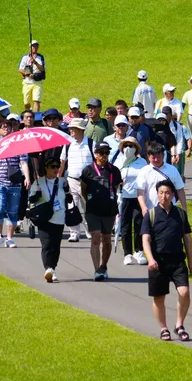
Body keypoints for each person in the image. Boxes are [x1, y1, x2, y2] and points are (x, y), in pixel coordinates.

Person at [143, 180, 192, 341]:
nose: (164, 196)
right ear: (157, 194)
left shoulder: (180, 214)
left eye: (167, 193)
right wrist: (150, 259)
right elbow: (145, 239)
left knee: (184, 292)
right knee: (159, 297)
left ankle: (179, 325)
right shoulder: (151, 215)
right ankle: (164, 328)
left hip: (178, 260)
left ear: (173, 195)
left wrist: (191, 262)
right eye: (161, 193)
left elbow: (187, 238)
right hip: (158, 262)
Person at [0, 118, 31, 248]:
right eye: (3, 127)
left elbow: (23, 162)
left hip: (14, 183)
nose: (6, 129)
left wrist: (27, 178)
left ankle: (9, 238)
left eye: (8, 127)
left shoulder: (19, 145)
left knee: (13, 211)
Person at [80, 142, 122, 281]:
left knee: (107, 239)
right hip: (93, 210)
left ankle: (104, 266)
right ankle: (97, 270)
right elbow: (83, 189)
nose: (104, 155)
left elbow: (116, 187)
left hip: (109, 209)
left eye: (106, 153)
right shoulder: (88, 170)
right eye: (101, 153)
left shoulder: (114, 171)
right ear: (95, 154)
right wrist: (91, 200)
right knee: (95, 237)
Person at [29, 157, 68, 282]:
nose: (56, 169)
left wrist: (67, 190)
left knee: (56, 246)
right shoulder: (38, 182)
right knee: (47, 244)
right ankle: (48, 269)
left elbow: (69, 199)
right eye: (53, 167)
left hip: (59, 217)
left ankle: (53, 268)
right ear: (46, 168)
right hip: (44, 218)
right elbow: (31, 200)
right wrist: (36, 195)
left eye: (57, 166)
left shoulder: (62, 182)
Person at [114, 137, 148, 265]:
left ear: (136, 149)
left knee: (139, 223)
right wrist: (119, 182)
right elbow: (114, 179)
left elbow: (146, 177)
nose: (128, 148)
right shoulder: (118, 162)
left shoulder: (142, 162)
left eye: (131, 146)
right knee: (125, 226)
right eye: (126, 146)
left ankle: (138, 251)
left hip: (138, 197)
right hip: (124, 197)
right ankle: (127, 253)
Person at [62, 118, 94, 241]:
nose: (70, 131)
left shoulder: (91, 143)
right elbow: (62, 162)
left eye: (73, 129)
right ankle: (74, 233)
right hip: (72, 180)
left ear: (80, 130)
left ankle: (89, 230)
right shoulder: (67, 144)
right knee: (72, 207)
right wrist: (59, 179)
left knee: (88, 208)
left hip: (88, 182)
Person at [134, 142, 186, 214]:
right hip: (150, 211)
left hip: (170, 211)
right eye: (153, 158)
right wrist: (143, 207)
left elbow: (180, 190)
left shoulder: (172, 170)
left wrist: (184, 208)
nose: (156, 160)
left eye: (158, 157)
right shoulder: (144, 171)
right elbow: (140, 192)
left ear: (163, 155)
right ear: (148, 156)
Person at [17, 40, 46, 113]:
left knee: (37, 101)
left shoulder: (40, 57)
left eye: (36, 46)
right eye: (33, 46)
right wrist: (28, 74)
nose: (34, 48)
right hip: (27, 82)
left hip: (37, 82)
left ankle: (35, 116)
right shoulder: (25, 57)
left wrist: (35, 62)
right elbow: (20, 69)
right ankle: (29, 114)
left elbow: (42, 69)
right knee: (26, 102)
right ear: (29, 48)